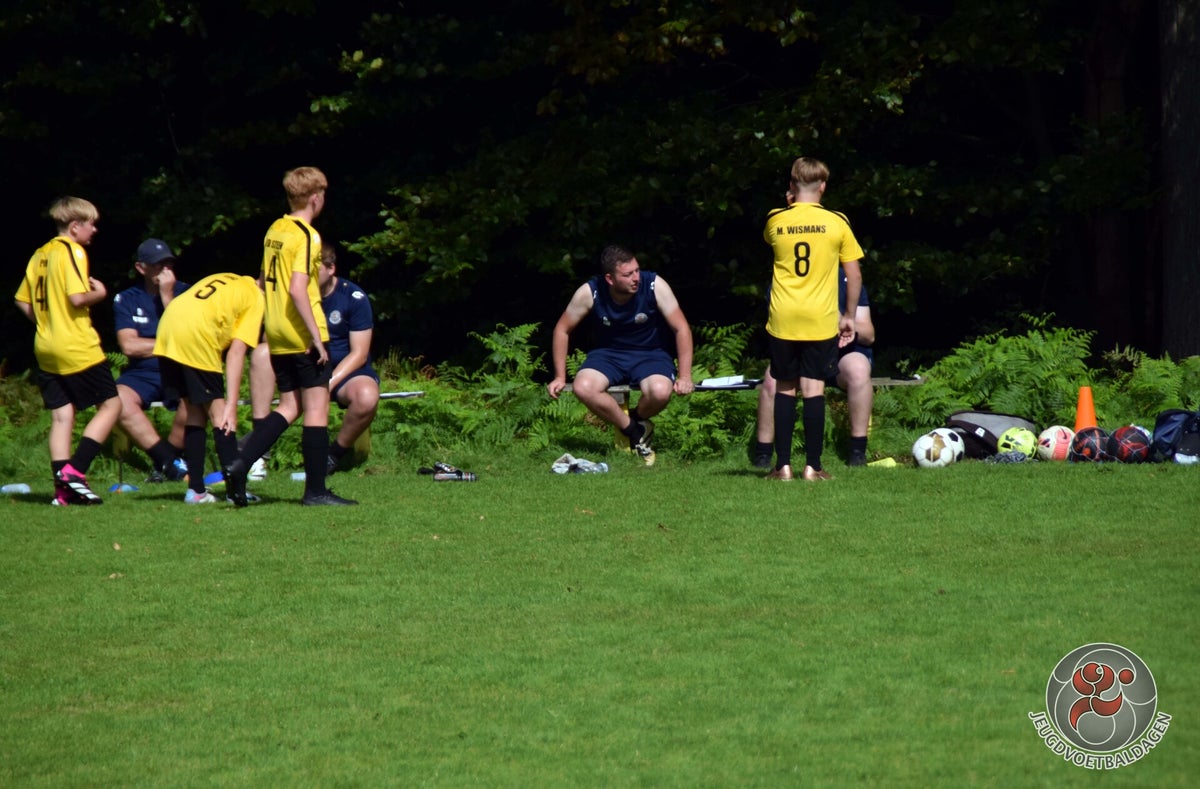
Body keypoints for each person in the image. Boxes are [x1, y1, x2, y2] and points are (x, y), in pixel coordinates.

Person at [224, 166, 356, 506]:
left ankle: (240, 462)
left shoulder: (275, 229)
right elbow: (298, 289)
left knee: (289, 405)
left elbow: (263, 280)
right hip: (301, 333)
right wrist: (316, 336)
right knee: (316, 410)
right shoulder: (307, 236)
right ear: (315, 198)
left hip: (277, 331)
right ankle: (316, 491)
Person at [13, 196, 123, 505]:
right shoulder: (71, 251)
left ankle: (62, 493)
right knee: (111, 405)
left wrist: (46, 323)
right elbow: (77, 298)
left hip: (45, 346)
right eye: (91, 224)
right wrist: (100, 293)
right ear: (74, 227)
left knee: (62, 415)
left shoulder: (40, 254)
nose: (95, 230)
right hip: (75, 345)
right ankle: (75, 471)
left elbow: (21, 300)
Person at [546, 244, 694, 465]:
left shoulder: (654, 285)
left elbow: (681, 328)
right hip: (608, 355)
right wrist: (559, 376)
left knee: (660, 391)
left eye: (637, 270)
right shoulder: (591, 291)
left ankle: (637, 420)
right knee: (582, 387)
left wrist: (685, 376)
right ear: (610, 279)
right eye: (628, 274)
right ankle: (633, 430)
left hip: (650, 354)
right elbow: (562, 329)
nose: (636, 278)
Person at [763, 157, 863, 481]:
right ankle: (813, 466)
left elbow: (774, 238)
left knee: (785, 387)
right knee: (814, 388)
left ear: (792, 186)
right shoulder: (837, 222)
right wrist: (849, 316)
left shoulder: (775, 219)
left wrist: (789, 206)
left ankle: (782, 466)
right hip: (820, 318)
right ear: (823, 186)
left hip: (784, 316)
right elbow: (854, 275)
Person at [154, 273, 265, 504]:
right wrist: (231, 405)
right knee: (220, 415)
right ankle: (236, 492)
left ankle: (196, 491)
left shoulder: (229, 277)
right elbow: (236, 353)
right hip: (197, 335)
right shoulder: (257, 298)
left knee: (194, 411)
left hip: (167, 327)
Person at [753, 268, 875, 468]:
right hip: (799, 353)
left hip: (840, 354)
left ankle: (857, 451)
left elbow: (869, 335)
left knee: (859, 369)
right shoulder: (784, 281)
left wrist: (841, 320)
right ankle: (763, 454)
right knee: (771, 379)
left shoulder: (847, 281)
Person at [112, 238, 191, 482]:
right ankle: (168, 461)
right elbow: (129, 345)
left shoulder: (187, 293)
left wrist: (167, 297)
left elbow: (189, 338)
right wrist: (169, 345)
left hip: (180, 368)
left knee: (197, 398)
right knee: (116, 399)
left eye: (168, 264)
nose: (165, 270)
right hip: (143, 373)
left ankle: (167, 463)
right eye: (158, 265)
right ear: (141, 268)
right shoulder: (127, 298)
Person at [319, 244, 380, 474]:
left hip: (345, 372)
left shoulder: (353, 297)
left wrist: (329, 382)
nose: (306, 276)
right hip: (307, 369)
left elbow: (359, 353)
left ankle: (333, 455)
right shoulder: (295, 295)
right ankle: (257, 454)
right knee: (262, 356)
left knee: (367, 396)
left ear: (331, 268)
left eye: (314, 270)